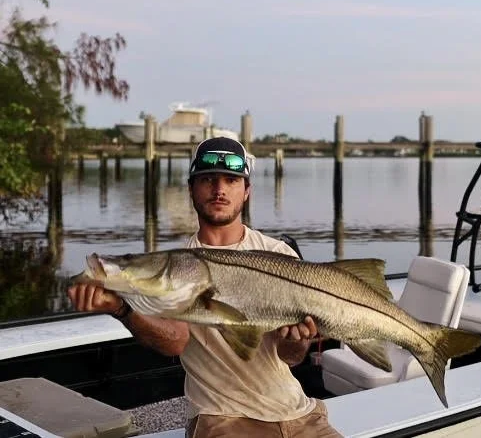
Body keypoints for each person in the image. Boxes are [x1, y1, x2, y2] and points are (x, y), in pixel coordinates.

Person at [68, 136, 343, 438]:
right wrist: (121, 308)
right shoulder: (177, 268)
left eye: (231, 180)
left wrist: (299, 338)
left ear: (247, 191)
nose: (219, 189)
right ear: (191, 189)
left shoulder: (278, 254)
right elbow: (174, 342)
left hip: (299, 413)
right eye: (208, 179)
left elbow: (291, 357)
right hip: (223, 418)